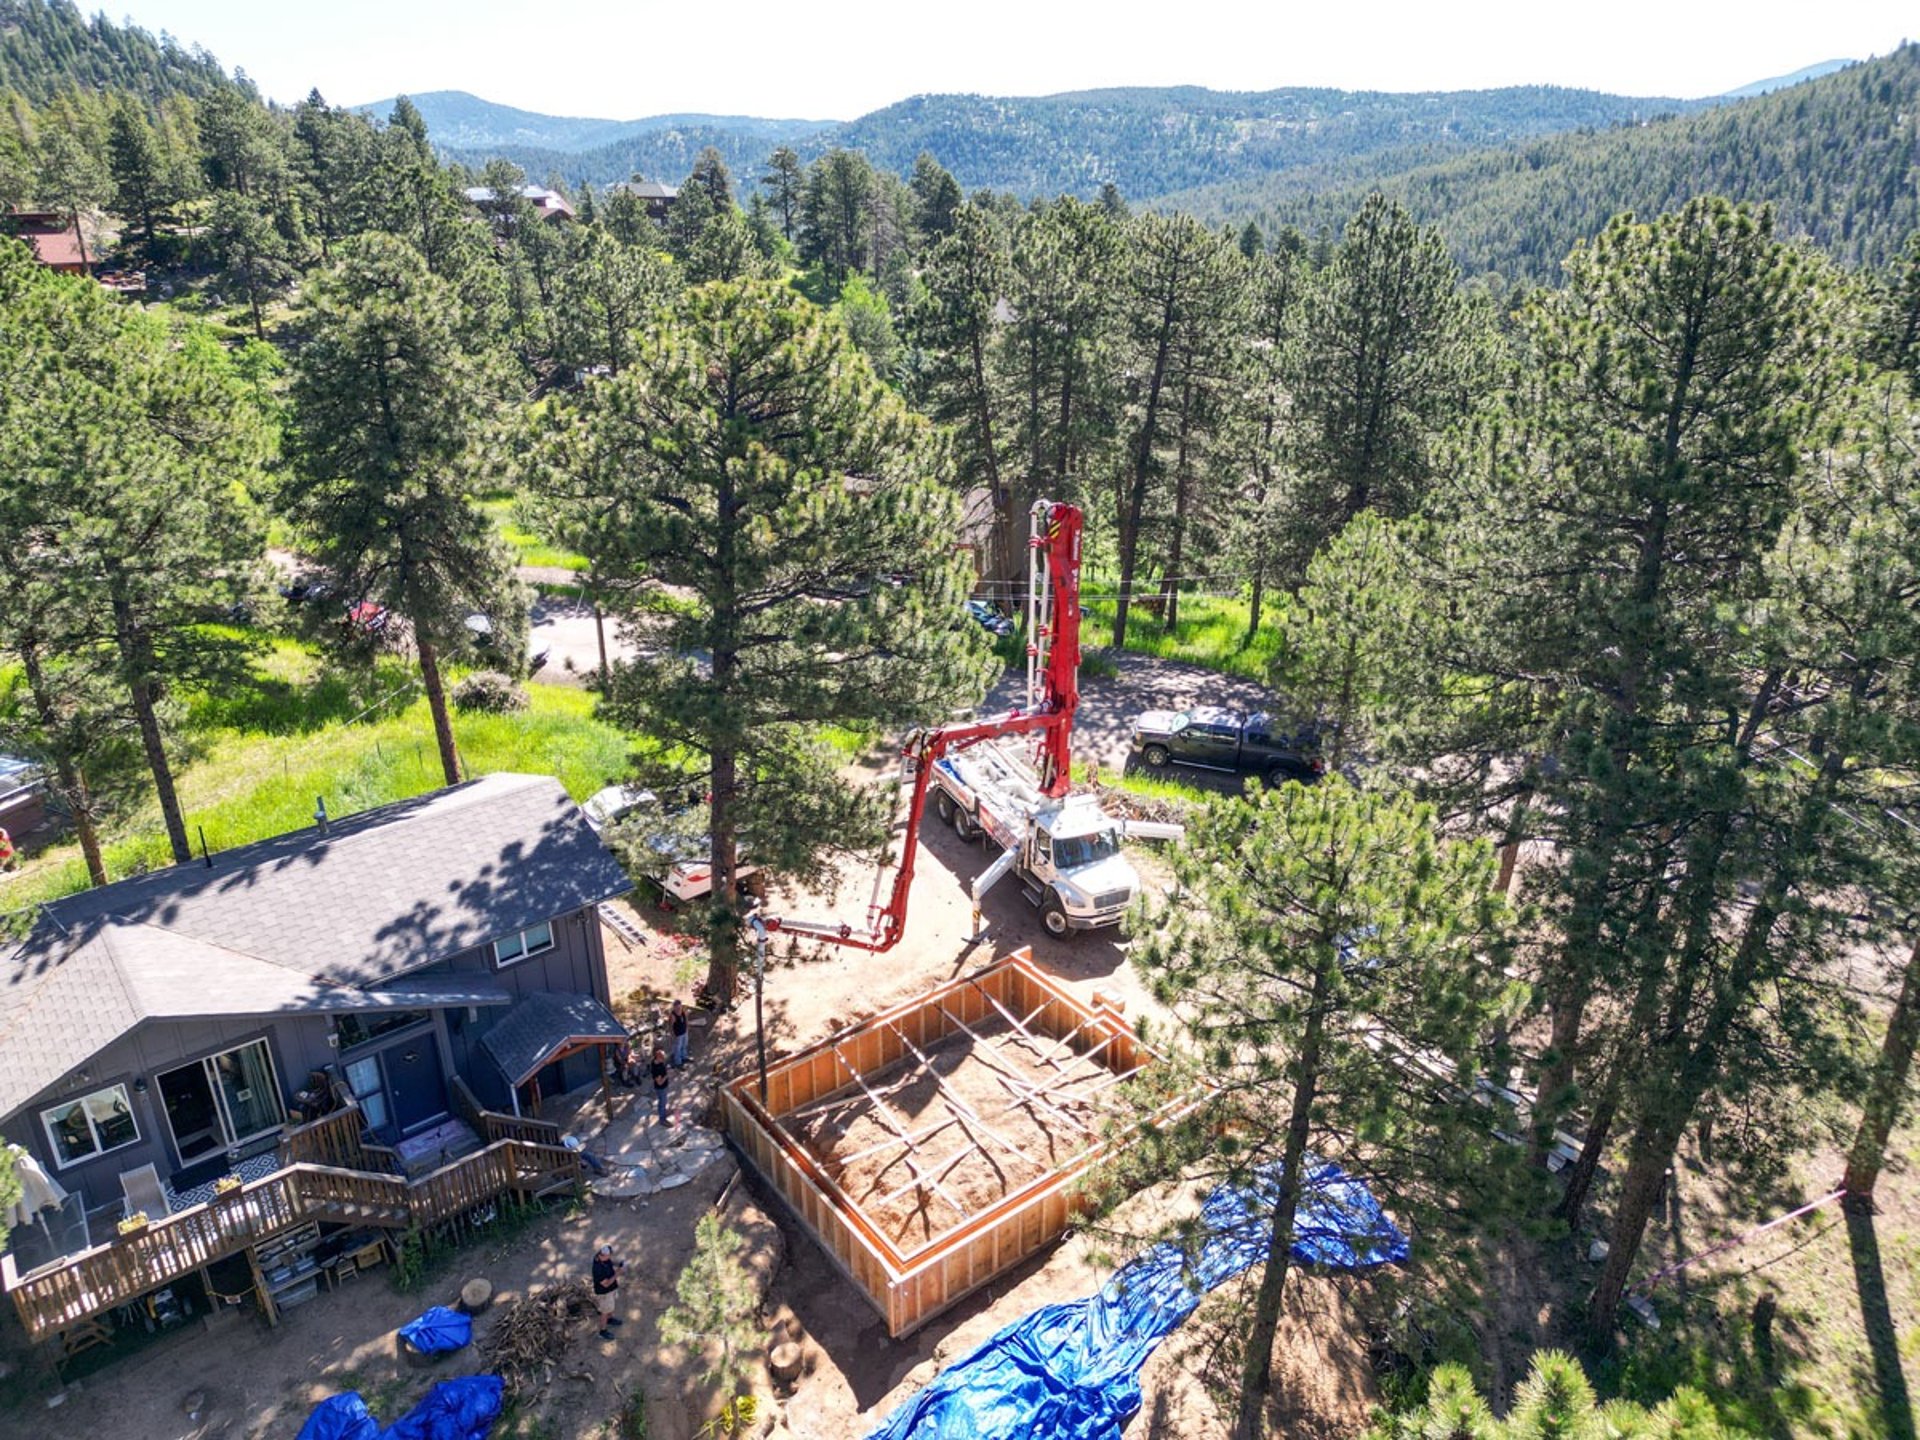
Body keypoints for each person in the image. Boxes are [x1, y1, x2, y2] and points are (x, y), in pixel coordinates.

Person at [590, 1243, 625, 1340]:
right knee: (604, 1311)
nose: (610, 1257)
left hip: (611, 1290)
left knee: (610, 1306)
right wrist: (618, 1273)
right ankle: (603, 1331)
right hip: (604, 1293)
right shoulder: (597, 1269)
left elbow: (610, 1261)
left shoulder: (601, 1257)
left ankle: (610, 1319)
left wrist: (618, 1263)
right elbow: (606, 1284)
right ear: (602, 1255)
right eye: (609, 1256)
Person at [650, 1044, 671, 1125]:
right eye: (663, 1058)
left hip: (664, 1087)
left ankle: (664, 1112)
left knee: (664, 1101)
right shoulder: (656, 1069)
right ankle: (662, 1119)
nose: (664, 1060)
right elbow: (659, 1082)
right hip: (661, 1088)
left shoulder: (657, 1061)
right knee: (662, 1102)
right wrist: (667, 1075)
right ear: (658, 1058)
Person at [669, 999, 690, 1068]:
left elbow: (686, 1019)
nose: (678, 1009)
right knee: (677, 1048)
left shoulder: (683, 1011)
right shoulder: (673, 1015)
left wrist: (687, 1028)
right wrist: (673, 1035)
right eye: (677, 1007)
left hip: (684, 1032)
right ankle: (678, 1062)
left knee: (684, 1045)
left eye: (679, 1007)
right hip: (678, 1034)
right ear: (674, 1007)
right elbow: (671, 1026)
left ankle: (684, 1057)